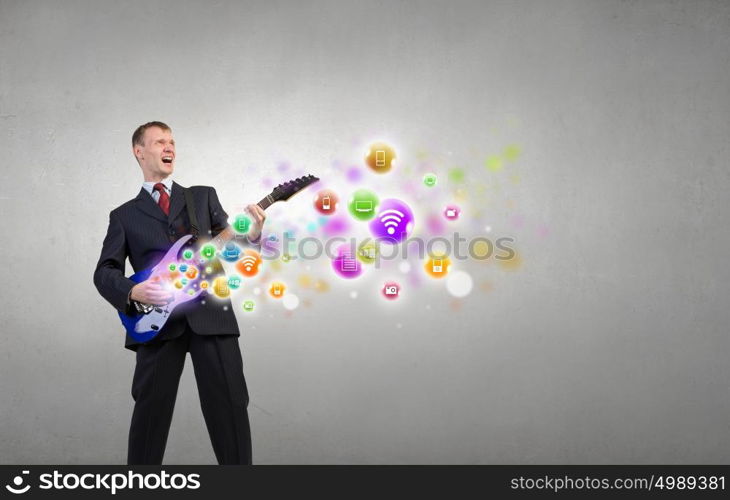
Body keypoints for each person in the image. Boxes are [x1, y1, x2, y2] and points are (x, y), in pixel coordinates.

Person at [93, 121, 265, 465]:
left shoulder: (201, 196)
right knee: (149, 417)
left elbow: (233, 246)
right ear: (139, 152)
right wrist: (133, 290)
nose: (169, 147)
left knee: (231, 408)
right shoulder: (124, 216)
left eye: (171, 141)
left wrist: (255, 233)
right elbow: (104, 272)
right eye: (159, 142)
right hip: (157, 325)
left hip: (210, 318)